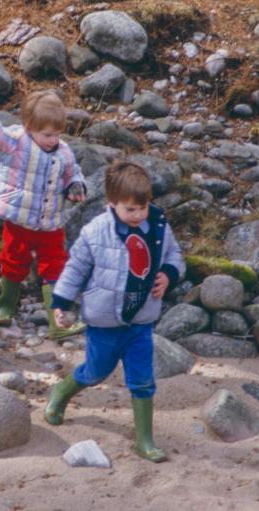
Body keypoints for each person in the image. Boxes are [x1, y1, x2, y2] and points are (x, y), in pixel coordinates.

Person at [44, 160, 185, 463]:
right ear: (112, 204)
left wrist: (169, 273)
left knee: (142, 379)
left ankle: (144, 440)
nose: (138, 215)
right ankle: (62, 392)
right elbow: (75, 269)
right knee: (96, 372)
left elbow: (174, 253)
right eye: (130, 209)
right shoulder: (95, 231)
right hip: (104, 321)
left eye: (143, 207)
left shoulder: (158, 227)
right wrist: (61, 302)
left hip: (141, 320)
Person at [0, 90, 86, 340]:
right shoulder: (14, 144)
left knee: (56, 267)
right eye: (47, 134)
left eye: (57, 134)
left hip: (50, 224)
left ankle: (58, 321)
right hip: (19, 221)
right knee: (13, 261)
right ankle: (5, 307)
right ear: (29, 127)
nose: (53, 139)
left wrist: (75, 186)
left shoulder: (64, 152)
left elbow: (73, 172)